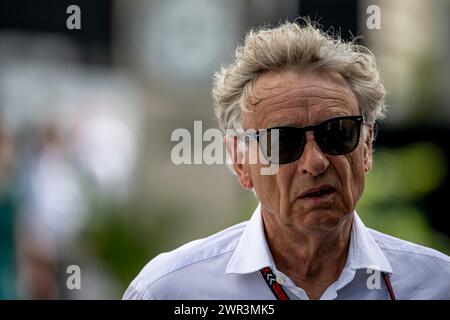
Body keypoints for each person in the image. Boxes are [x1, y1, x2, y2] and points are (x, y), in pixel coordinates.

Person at [123, 21, 450, 300]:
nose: (315, 162)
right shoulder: (170, 290)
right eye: (282, 142)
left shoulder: (437, 283)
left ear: (366, 146)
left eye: (337, 133)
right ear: (241, 163)